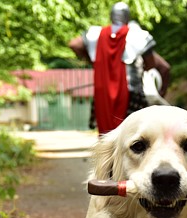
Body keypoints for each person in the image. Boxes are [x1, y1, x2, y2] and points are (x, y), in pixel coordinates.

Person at [69, 2, 171, 135]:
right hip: (132, 90)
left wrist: (93, 60)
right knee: (133, 132)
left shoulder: (97, 33)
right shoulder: (136, 35)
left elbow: (74, 44)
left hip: (103, 90)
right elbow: (151, 63)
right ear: (127, 17)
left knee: (107, 132)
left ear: (111, 17)